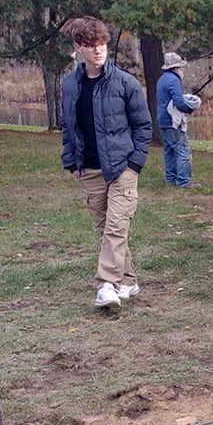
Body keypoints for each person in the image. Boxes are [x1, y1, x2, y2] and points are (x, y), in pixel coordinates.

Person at [60, 16, 152, 309]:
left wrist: (135, 163)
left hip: (122, 169)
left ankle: (105, 286)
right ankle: (128, 281)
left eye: (102, 44)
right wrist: (70, 160)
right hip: (89, 169)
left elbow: (143, 126)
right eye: (91, 45)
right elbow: (68, 126)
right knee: (108, 230)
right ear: (79, 48)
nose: (98, 50)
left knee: (115, 228)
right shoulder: (70, 85)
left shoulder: (125, 82)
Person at [157, 52, 200, 187]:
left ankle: (171, 180)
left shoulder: (162, 79)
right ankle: (183, 182)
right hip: (173, 121)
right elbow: (179, 103)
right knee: (183, 150)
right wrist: (190, 109)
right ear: (176, 68)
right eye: (181, 67)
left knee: (169, 150)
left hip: (163, 120)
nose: (183, 69)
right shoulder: (174, 80)